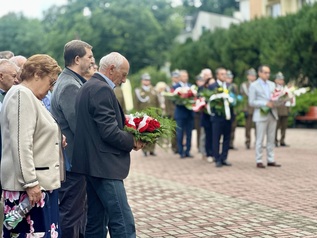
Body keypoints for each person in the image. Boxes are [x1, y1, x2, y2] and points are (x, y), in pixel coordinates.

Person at [71, 52, 144, 238]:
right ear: (111, 69)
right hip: (104, 167)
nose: (125, 80)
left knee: (96, 223)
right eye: (124, 74)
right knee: (123, 222)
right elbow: (109, 132)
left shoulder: (89, 86)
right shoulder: (101, 89)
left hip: (92, 165)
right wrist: (133, 141)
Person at [1, 54, 65, 237]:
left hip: (38, 186)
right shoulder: (21, 95)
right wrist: (30, 183)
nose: (51, 87)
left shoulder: (28, 96)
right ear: (37, 74)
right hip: (29, 189)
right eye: (50, 81)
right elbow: (21, 143)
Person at [50, 40, 94, 238]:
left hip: (73, 161)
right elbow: (80, 126)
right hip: (73, 162)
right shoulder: (69, 85)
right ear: (77, 59)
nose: (93, 61)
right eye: (90, 57)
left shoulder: (72, 80)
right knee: (71, 215)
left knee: (77, 213)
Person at [249, 65, 281, 168]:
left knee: (271, 138)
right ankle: (259, 160)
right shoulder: (254, 85)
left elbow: (276, 97)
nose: (267, 74)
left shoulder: (272, 85)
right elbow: (251, 102)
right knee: (260, 138)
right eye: (265, 72)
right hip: (261, 114)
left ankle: (270, 159)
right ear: (260, 73)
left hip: (272, 113)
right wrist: (265, 103)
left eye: (268, 73)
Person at [208, 68, 233, 168]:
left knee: (227, 137)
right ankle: (217, 158)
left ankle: (224, 158)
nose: (224, 76)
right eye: (222, 74)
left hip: (228, 116)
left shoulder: (229, 86)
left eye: (225, 74)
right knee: (216, 138)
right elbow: (208, 100)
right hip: (217, 116)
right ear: (217, 75)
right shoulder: (212, 86)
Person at [134, 73, 160, 156]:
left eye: (148, 80)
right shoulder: (138, 91)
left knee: (153, 132)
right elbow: (136, 104)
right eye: (145, 80)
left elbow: (157, 103)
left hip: (153, 115)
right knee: (144, 132)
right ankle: (144, 149)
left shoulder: (154, 90)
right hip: (143, 115)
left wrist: (158, 113)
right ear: (142, 81)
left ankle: (152, 149)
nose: (147, 81)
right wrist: (137, 115)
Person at [173, 70, 194, 158]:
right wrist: (181, 100)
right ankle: (181, 151)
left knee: (189, 133)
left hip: (189, 113)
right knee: (180, 133)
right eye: (183, 76)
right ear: (180, 77)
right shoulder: (176, 87)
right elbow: (174, 100)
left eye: (186, 76)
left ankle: (188, 151)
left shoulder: (191, 86)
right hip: (180, 113)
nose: (185, 77)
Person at [240, 68, 257, 149]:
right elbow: (243, 99)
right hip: (248, 108)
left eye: (254, 75)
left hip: (257, 109)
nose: (253, 77)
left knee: (258, 127)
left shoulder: (258, 85)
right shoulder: (244, 85)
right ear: (248, 76)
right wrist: (244, 109)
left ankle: (258, 142)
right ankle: (247, 141)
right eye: (251, 75)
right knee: (248, 127)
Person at [165, 70, 180, 154]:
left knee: (180, 131)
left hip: (179, 112)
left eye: (177, 77)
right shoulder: (168, 87)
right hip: (171, 112)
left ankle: (179, 146)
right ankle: (174, 147)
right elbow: (167, 102)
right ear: (172, 78)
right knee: (173, 131)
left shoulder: (180, 87)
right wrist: (168, 112)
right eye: (175, 77)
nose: (176, 79)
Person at [274, 72, 290, 147]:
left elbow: (289, 99)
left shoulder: (285, 89)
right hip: (277, 110)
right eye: (279, 79)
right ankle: (274, 141)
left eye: (282, 80)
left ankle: (282, 140)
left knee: (284, 127)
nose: (281, 81)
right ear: (276, 80)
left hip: (284, 110)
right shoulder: (274, 88)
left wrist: (288, 109)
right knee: (276, 127)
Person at [226, 70, 239, 150]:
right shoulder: (224, 86)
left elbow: (237, 96)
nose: (229, 79)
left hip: (233, 109)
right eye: (228, 77)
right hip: (225, 109)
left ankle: (231, 143)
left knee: (233, 127)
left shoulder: (234, 86)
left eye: (230, 78)